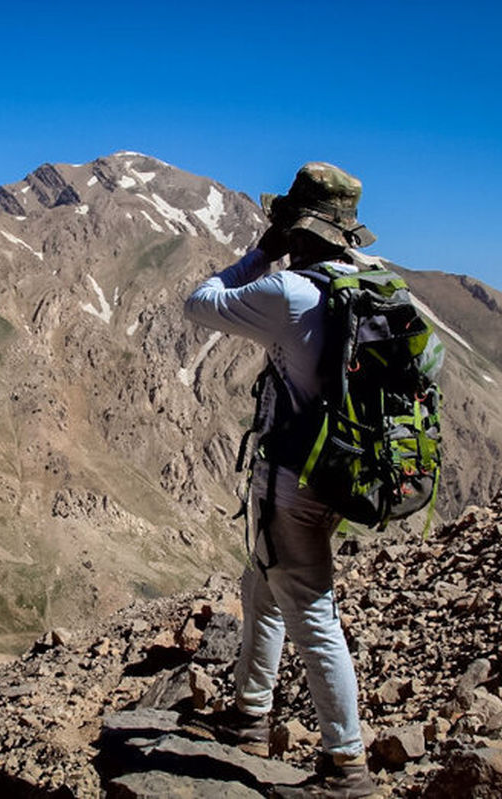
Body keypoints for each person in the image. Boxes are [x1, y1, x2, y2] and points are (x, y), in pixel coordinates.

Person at [182, 162, 383, 798]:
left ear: (298, 229)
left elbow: (200, 303)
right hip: (342, 471)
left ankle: (346, 764)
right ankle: (248, 714)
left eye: (285, 227)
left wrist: (260, 253)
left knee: (312, 613)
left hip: (292, 479)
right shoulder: (374, 285)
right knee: (260, 584)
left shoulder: (290, 291)